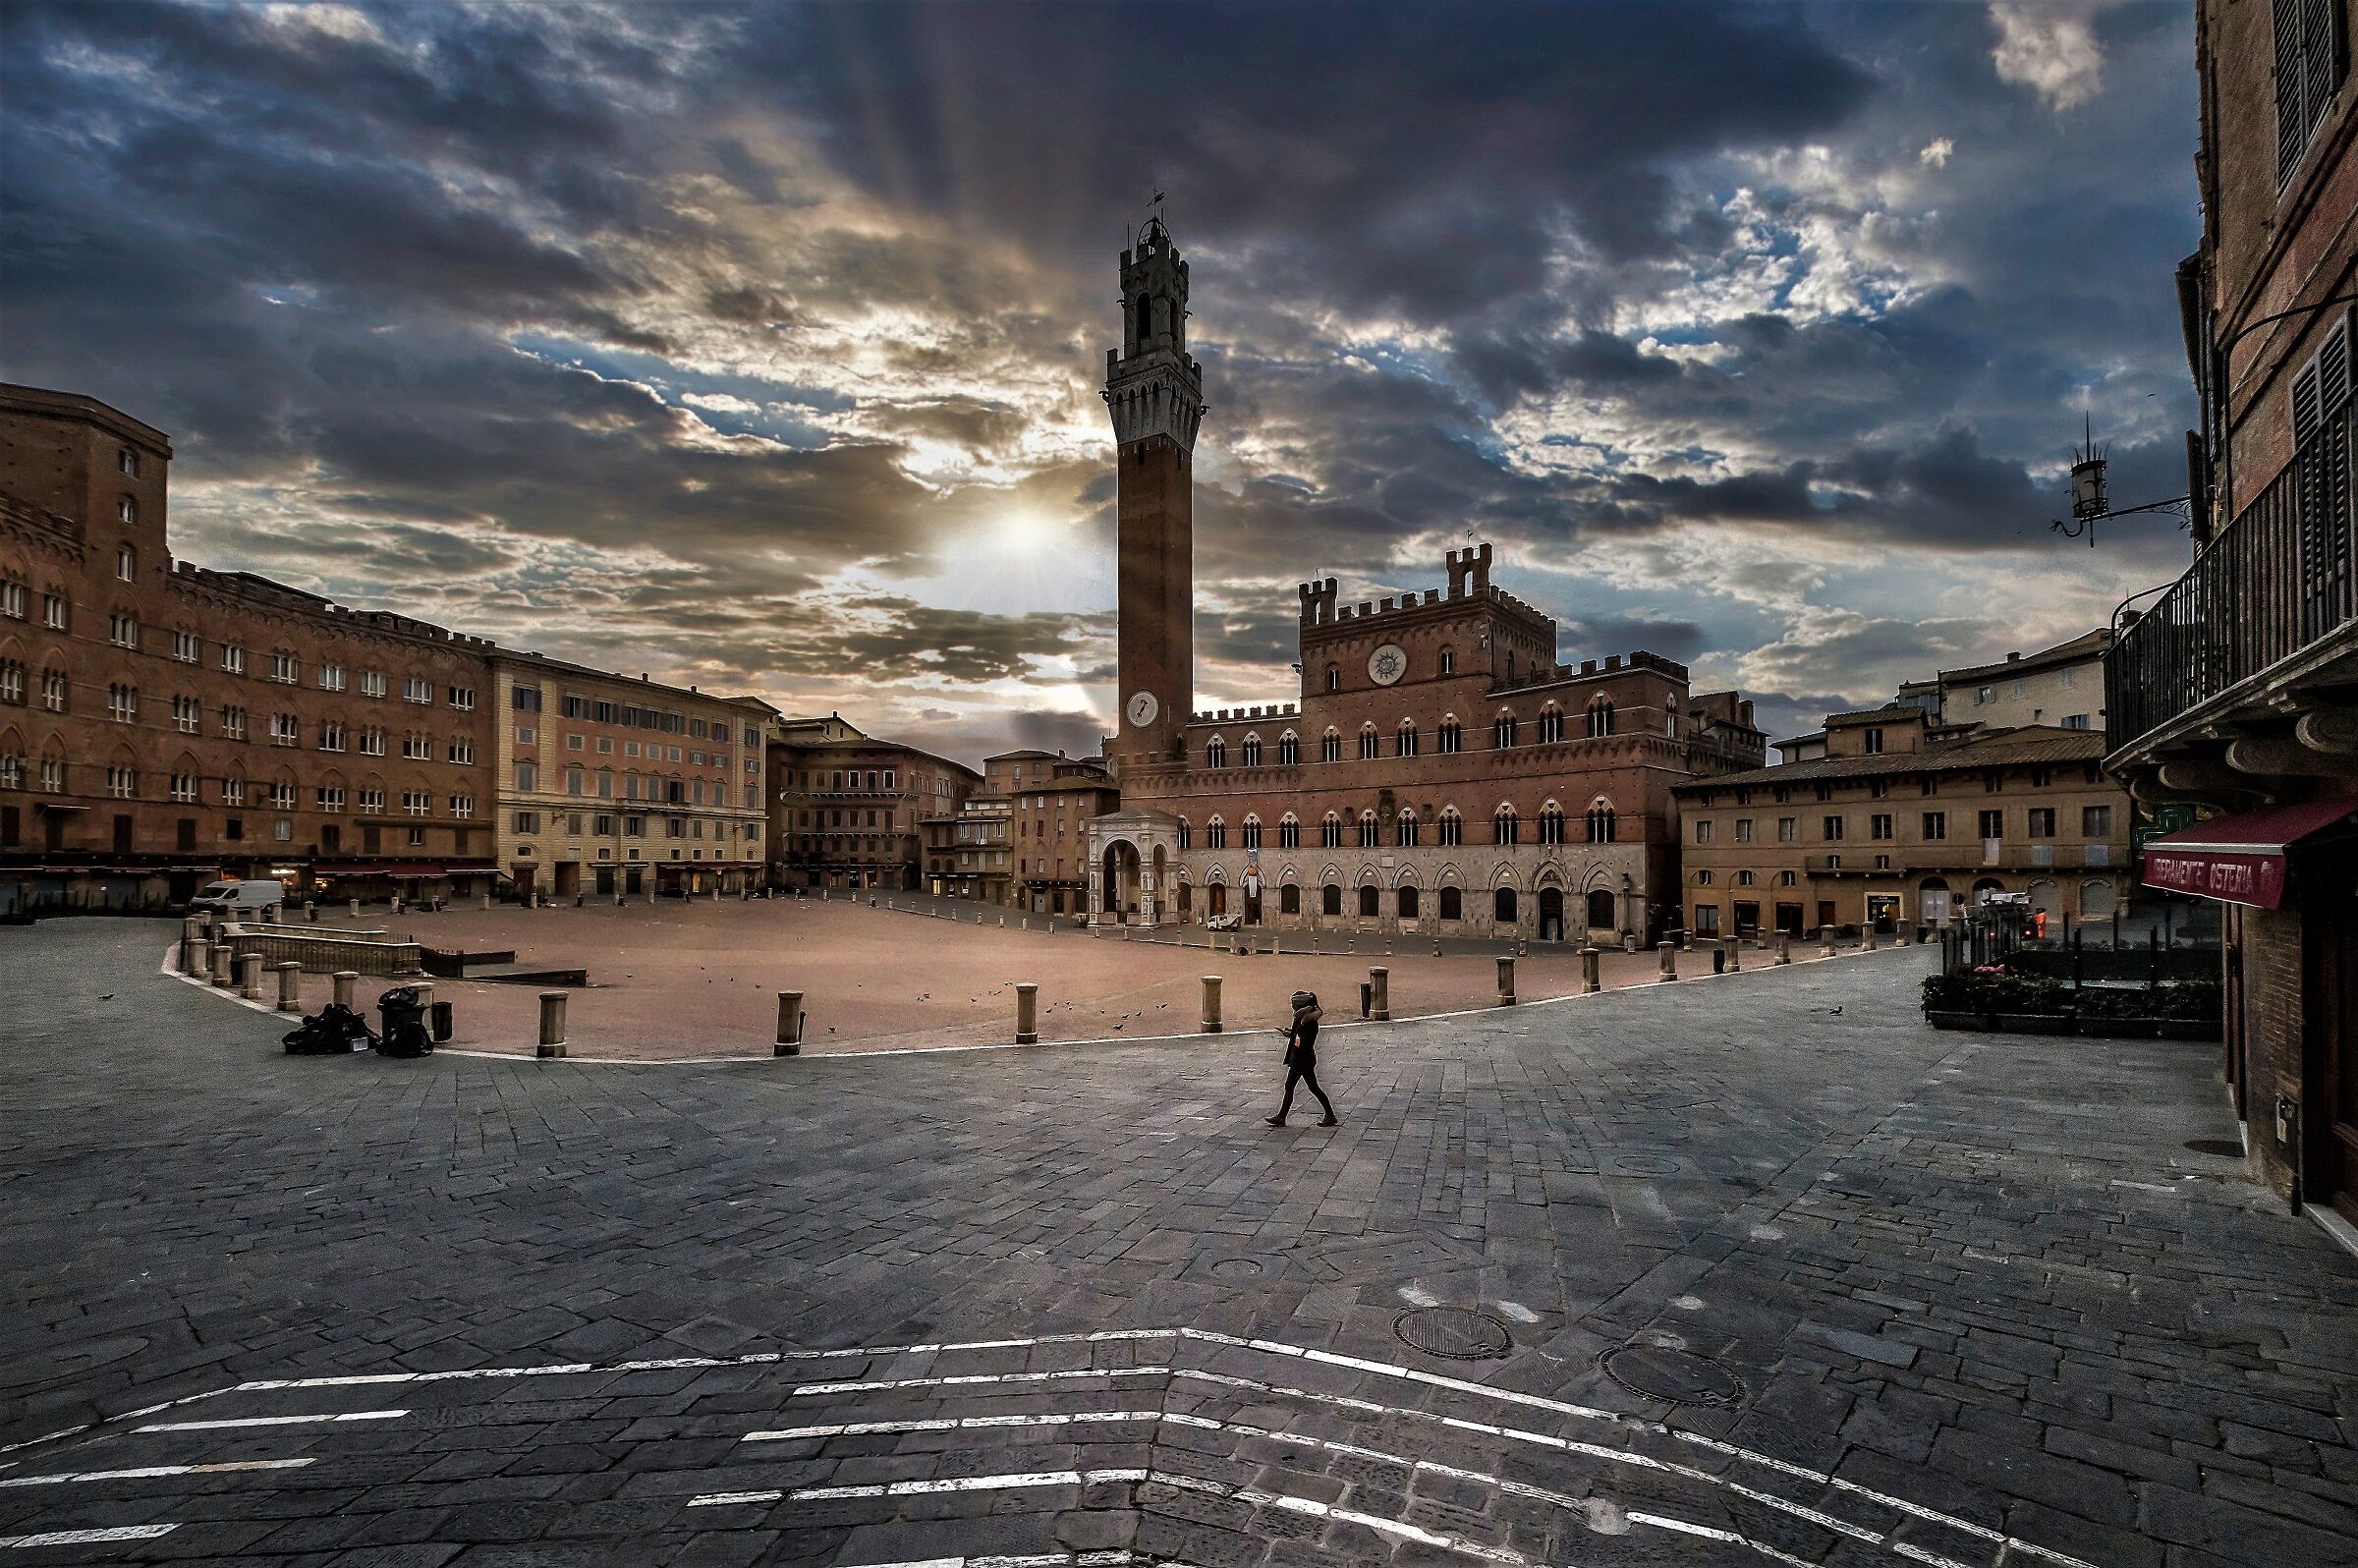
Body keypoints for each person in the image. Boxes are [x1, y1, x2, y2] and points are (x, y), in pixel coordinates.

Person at [1266, 990, 1337, 1128]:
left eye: (1294, 1004)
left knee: (1295, 1086)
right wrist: (1292, 1033)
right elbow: (1299, 1035)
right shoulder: (1303, 1018)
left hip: (1303, 1059)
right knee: (1311, 1087)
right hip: (1303, 1058)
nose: (1292, 1006)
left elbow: (1304, 1040)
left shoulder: (1309, 1022)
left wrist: (1291, 1035)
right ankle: (1329, 1115)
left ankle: (1282, 1117)